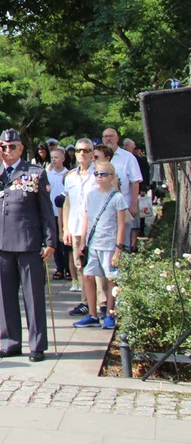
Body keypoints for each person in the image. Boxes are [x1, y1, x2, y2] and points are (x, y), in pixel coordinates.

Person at [0, 129, 58, 361]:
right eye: (4, 147)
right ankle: (10, 343)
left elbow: (46, 210)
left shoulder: (35, 173)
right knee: (5, 296)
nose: (7, 151)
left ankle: (37, 345)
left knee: (33, 296)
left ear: (21, 149)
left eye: (12, 147)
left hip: (27, 240)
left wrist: (50, 241)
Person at [73, 161, 128, 330]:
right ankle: (92, 314)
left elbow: (121, 224)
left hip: (109, 244)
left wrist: (119, 248)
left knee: (110, 278)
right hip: (93, 243)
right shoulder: (91, 195)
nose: (99, 177)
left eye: (103, 174)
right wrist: (83, 242)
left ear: (112, 177)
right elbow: (87, 219)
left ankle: (110, 313)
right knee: (89, 276)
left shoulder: (117, 197)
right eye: (96, 174)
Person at [64, 138, 98, 314]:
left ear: (93, 153)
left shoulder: (99, 174)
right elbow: (67, 203)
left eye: (86, 150)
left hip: (96, 228)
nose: (82, 154)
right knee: (80, 266)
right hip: (76, 227)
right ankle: (86, 302)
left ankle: (102, 304)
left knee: (97, 267)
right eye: (78, 150)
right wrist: (66, 229)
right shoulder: (70, 177)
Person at [101, 128, 142, 249]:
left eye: (111, 136)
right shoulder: (97, 157)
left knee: (123, 245)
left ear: (117, 139)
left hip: (123, 207)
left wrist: (134, 204)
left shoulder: (128, 157)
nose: (108, 138)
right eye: (105, 136)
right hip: (103, 209)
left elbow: (135, 181)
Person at [47, 146, 70, 279]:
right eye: (52, 158)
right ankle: (59, 267)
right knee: (54, 241)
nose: (54, 160)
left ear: (63, 159)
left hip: (65, 213)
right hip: (52, 213)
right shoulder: (48, 175)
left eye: (56, 157)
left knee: (65, 242)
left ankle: (68, 268)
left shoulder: (68, 175)